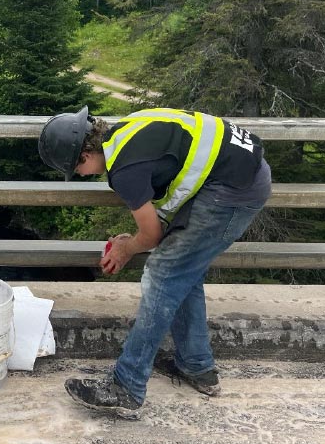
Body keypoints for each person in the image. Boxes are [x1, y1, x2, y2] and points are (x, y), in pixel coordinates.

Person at [38, 106, 271, 420]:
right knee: (183, 270)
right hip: (241, 173)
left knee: (163, 273)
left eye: (73, 170)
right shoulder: (125, 129)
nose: (79, 176)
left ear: (84, 156)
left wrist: (126, 249)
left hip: (232, 191)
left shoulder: (123, 170)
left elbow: (151, 235)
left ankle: (127, 386)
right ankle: (197, 367)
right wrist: (133, 240)